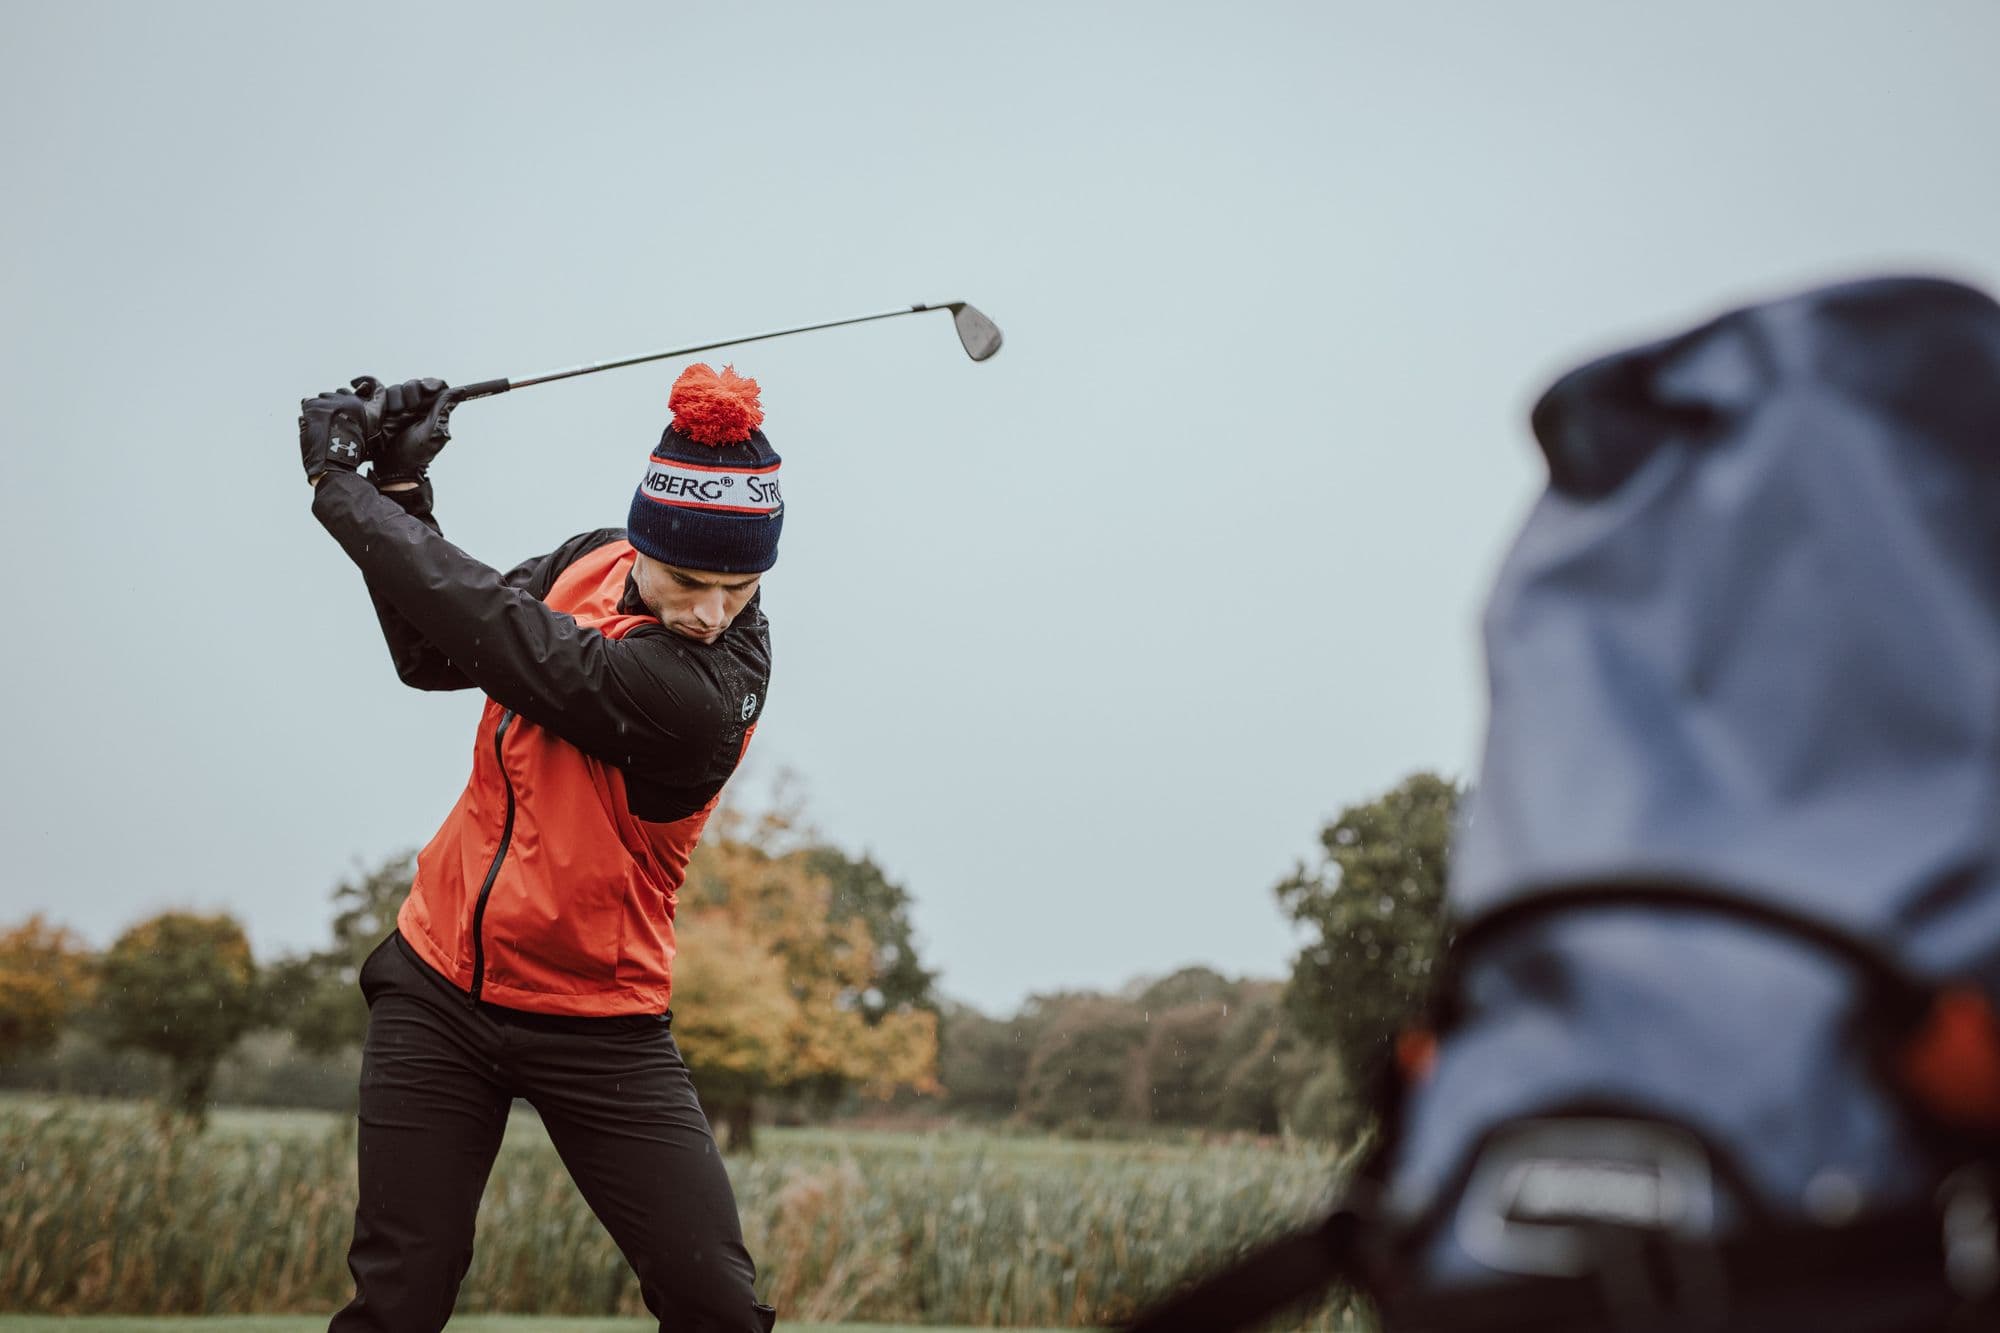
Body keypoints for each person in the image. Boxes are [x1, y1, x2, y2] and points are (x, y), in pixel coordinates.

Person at [297, 364, 783, 1332]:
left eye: (738, 587)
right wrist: (398, 492)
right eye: (689, 580)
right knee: (398, 1298)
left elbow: (502, 634)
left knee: (716, 1307)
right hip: (439, 987)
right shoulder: (590, 562)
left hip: (596, 1021)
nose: (708, 612)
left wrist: (343, 493)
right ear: (640, 540)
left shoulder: (703, 691)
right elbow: (436, 650)